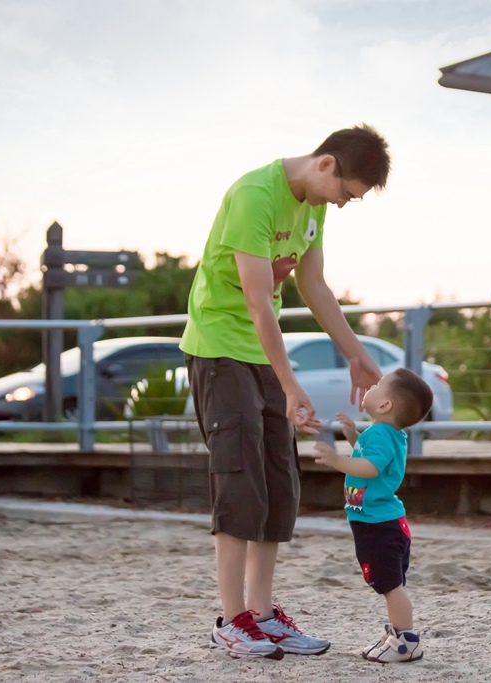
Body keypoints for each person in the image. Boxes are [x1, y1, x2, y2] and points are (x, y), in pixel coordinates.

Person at [180, 124, 390, 660]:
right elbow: (256, 303)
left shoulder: (313, 208)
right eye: (347, 193)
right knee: (238, 480)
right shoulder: (255, 196)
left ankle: (266, 617)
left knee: (277, 481)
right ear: (326, 165)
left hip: (259, 354)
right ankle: (231, 621)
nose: (344, 204)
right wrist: (291, 382)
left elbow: (313, 286)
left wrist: (356, 353)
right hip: (219, 347)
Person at [313, 367, 434, 664]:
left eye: (379, 385)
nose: (372, 386)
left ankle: (405, 641)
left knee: (391, 586)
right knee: (390, 583)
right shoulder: (387, 433)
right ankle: (396, 634)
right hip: (386, 523)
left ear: (384, 405)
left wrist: (336, 460)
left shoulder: (381, 432)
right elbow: (368, 454)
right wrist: (353, 435)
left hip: (378, 525)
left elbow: (370, 468)